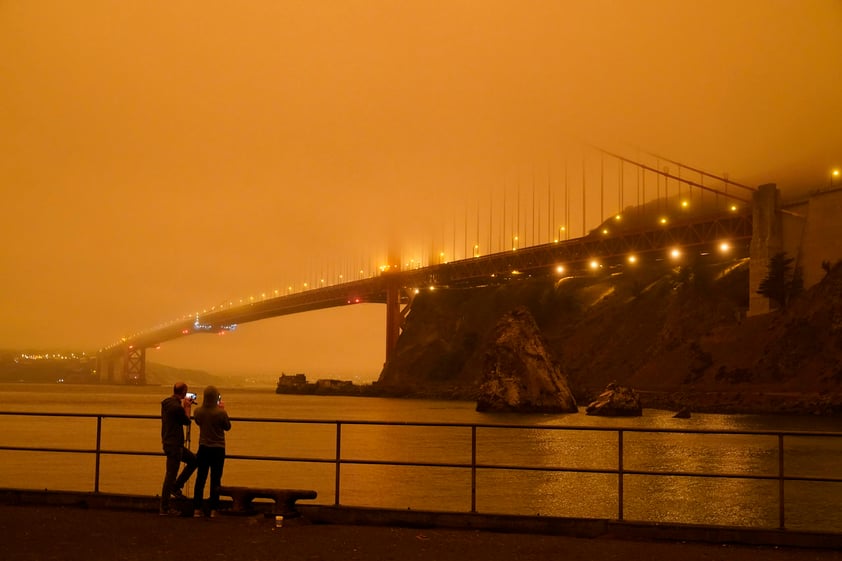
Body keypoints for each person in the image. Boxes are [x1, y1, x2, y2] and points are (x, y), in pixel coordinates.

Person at [159, 381, 198, 516]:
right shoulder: (176, 408)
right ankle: (165, 507)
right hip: (174, 444)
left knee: (193, 460)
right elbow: (186, 421)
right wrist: (187, 407)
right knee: (170, 475)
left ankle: (176, 487)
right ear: (183, 392)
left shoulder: (167, 403)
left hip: (170, 442)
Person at [192, 385, 231, 518]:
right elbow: (227, 427)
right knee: (215, 479)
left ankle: (197, 508)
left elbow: (197, 422)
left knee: (200, 478)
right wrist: (222, 409)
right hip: (218, 449)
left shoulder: (198, 411)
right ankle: (214, 509)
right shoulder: (221, 413)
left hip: (203, 447)